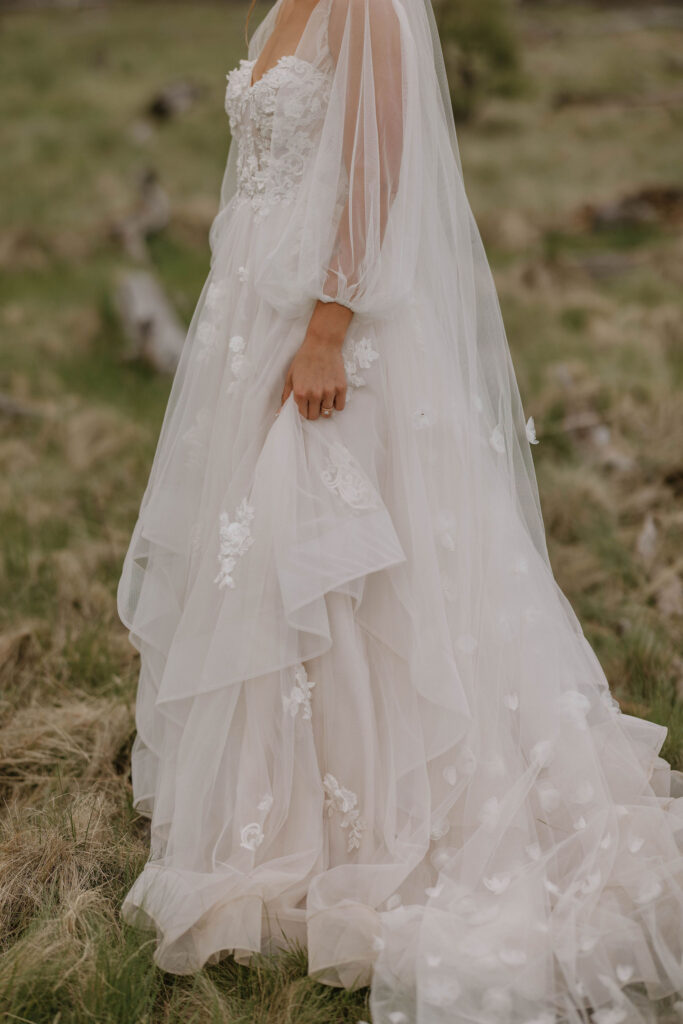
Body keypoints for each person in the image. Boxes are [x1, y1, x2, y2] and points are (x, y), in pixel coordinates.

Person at [117, 0, 683, 1019]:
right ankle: (285, 814)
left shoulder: (371, 7)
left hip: (331, 318)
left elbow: (377, 163)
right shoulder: (285, 7)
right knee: (264, 553)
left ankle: (383, 822)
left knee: (340, 557)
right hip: (254, 304)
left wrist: (328, 323)